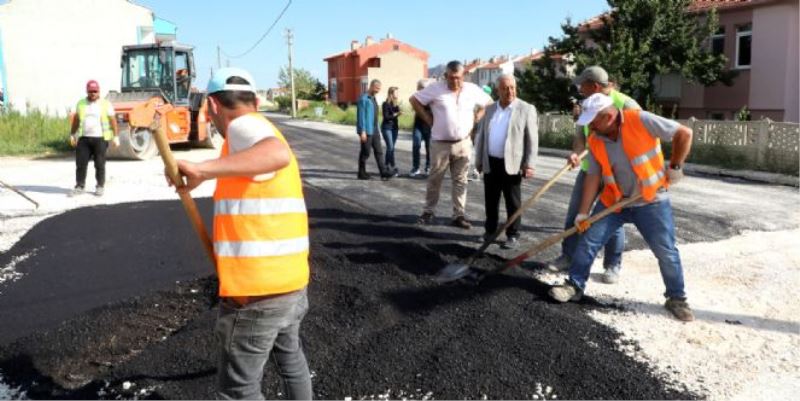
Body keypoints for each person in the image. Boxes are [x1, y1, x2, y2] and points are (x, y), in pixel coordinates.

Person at [170, 68, 313, 399]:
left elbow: (275, 155)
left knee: (238, 391)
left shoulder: (243, 126)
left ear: (212, 106)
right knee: (291, 363)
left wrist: (202, 170)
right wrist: (206, 174)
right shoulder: (258, 127)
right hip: (288, 283)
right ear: (255, 98)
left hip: (256, 294)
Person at [548, 93, 695, 322]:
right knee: (589, 241)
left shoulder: (640, 120)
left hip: (651, 200)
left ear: (608, 116)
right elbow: (593, 176)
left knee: (666, 250)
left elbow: (684, 133)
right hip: (614, 201)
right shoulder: (596, 140)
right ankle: (574, 285)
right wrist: (583, 212)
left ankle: (676, 298)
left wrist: (675, 165)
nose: (590, 128)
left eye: (593, 122)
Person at [546, 65, 641, 284]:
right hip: (591, 168)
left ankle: (612, 265)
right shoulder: (587, 105)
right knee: (576, 214)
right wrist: (576, 153)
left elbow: (638, 133)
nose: (580, 88)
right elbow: (581, 135)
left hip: (616, 173)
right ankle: (568, 256)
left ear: (595, 86)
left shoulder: (625, 104)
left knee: (611, 218)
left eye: (583, 84)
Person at [410, 60, 492, 229]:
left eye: (459, 78)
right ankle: (428, 212)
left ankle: (459, 215)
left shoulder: (472, 89)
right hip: (441, 144)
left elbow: (489, 103)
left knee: (461, 181)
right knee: (435, 179)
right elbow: (414, 99)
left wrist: (478, 116)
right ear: (446, 76)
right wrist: (427, 118)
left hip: (463, 143)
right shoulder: (435, 88)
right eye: (452, 77)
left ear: (464, 76)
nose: (455, 81)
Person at [473, 74, 538, 250]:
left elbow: (532, 139)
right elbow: (482, 137)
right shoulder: (490, 109)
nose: (510, 91)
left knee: (513, 202)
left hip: (513, 165)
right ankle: (490, 232)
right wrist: (479, 160)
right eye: (505, 88)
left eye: (512, 88)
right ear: (498, 90)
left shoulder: (526, 109)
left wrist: (529, 164)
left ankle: (513, 234)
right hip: (491, 162)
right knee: (490, 201)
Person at [68, 80, 118, 197]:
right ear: (87, 91)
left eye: (95, 91)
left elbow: (113, 120)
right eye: (91, 91)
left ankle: (100, 186)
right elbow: (76, 120)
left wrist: (116, 136)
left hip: (100, 139)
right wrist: (72, 134)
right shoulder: (81, 103)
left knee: (100, 164)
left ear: (99, 91)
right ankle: (80, 186)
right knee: (81, 164)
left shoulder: (106, 104)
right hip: (84, 139)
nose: (93, 93)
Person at [356, 79, 392, 180]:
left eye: (379, 89)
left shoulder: (373, 98)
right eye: (376, 88)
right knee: (365, 152)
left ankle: (383, 172)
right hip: (366, 130)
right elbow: (361, 116)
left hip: (375, 129)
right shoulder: (364, 99)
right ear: (371, 86)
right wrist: (362, 131)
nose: (378, 90)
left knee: (379, 151)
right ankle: (361, 173)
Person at [410, 79, 432, 177]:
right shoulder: (416, 97)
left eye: (423, 87)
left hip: (429, 125)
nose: (422, 89)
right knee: (416, 145)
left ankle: (428, 167)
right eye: (420, 87)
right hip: (418, 125)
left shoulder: (431, 98)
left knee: (429, 147)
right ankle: (415, 168)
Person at [381, 86, 402, 175]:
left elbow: (397, 113)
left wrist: (398, 109)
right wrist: (396, 114)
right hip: (387, 128)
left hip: (394, 128)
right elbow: (386, 117)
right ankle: (388, 166)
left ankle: (388, 166)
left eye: (398, 92)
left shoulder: (395, 105)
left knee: (391, 148)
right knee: (390, 147)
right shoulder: (385, 104)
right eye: (396, 92)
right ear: (391, 94)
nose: (397, 94)